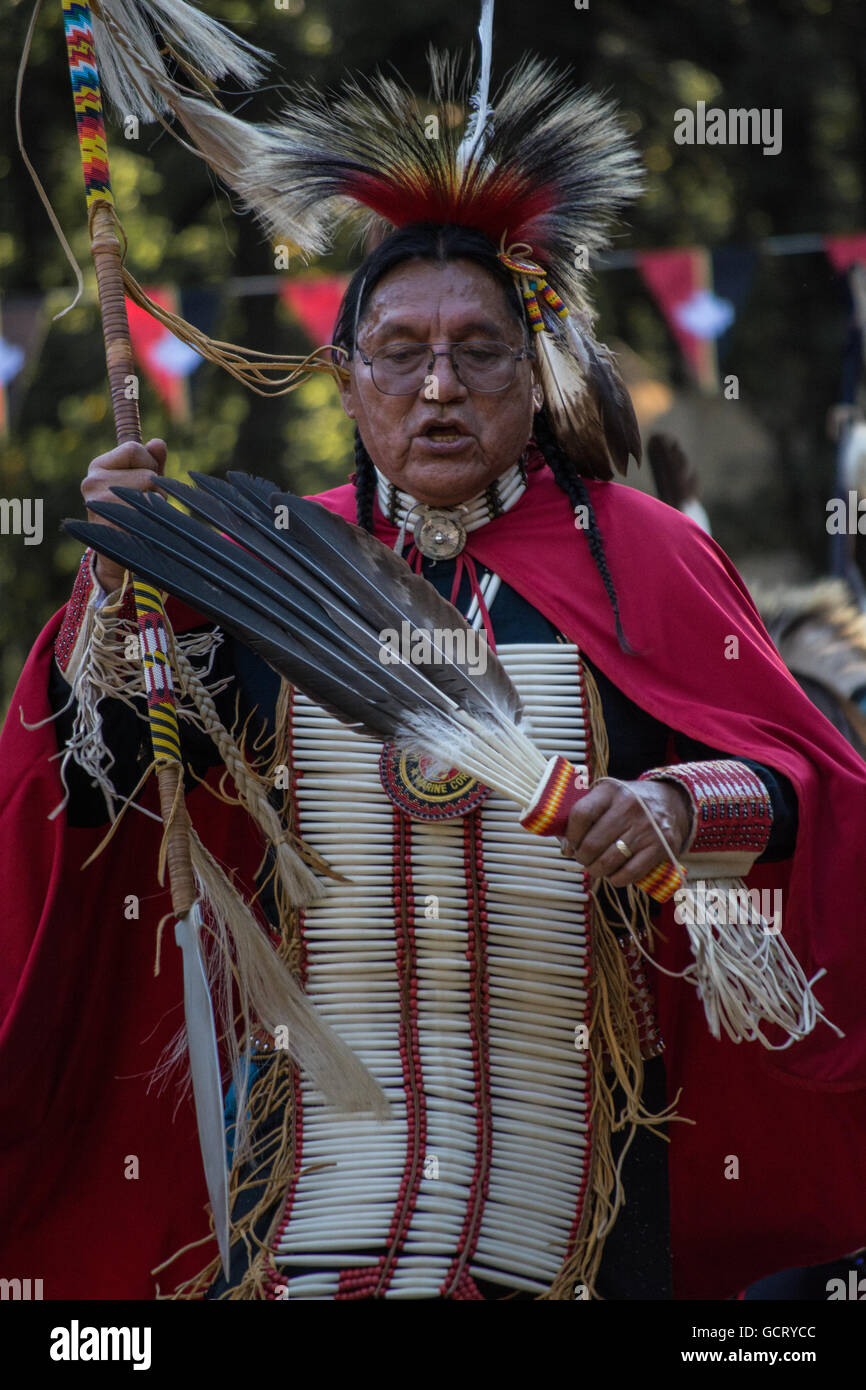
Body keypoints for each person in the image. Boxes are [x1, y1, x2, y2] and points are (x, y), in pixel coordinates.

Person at [2, 7, 866, 1303]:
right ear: (344, 375)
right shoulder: (266, 577)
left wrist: (681, 805)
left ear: (537, 375)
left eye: (477, 353)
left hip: (580, 1182)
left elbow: (815, 793)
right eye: (400, 355)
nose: (439, 389)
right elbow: (106, 793)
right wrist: (117, 597)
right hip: (311, 1191)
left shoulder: (645, 561)